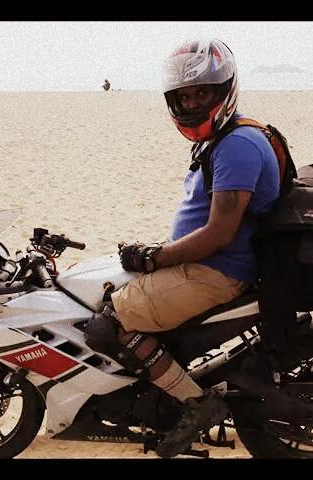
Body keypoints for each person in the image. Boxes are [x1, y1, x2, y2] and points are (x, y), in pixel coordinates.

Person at [85, 38, 280, 457]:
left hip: (218, 271)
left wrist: (157, 257)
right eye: (184, 96)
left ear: (224, 90)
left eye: (201, 93)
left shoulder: (238, 145)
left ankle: (197, 404)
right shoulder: (223, 138)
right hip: (207, 263)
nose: (191, 104)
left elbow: (218, 234)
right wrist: (157, 253)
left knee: (108, 325)